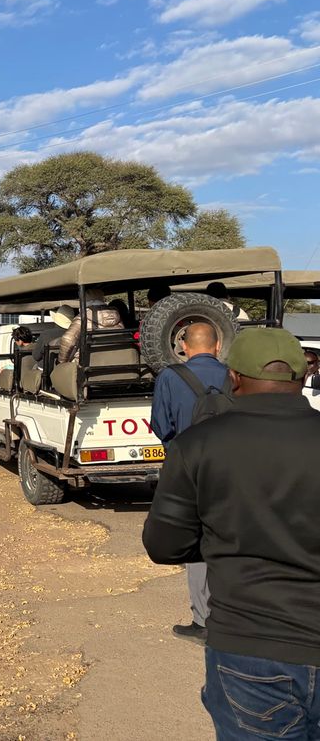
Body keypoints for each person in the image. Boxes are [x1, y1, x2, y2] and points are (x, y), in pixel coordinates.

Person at [142, 328, 320, 740]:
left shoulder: (197, 445)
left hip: (251, 647)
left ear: (234, 377)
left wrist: (224, 537)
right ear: (303, 375)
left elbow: (165, 545)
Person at [149, 321, 228, 643]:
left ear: (183, 347)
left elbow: (160, 425)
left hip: (189, 471)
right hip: (233, 467)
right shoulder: (233, 375)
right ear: (218, 346)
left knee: (197, 543)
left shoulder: (170, 377)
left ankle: (203, 620)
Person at [57, 297, 122, 364]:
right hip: (116, 359)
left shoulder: (82, 318)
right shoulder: (117, 317)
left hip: (88, 362)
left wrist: (62, 362)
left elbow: (68, 339)